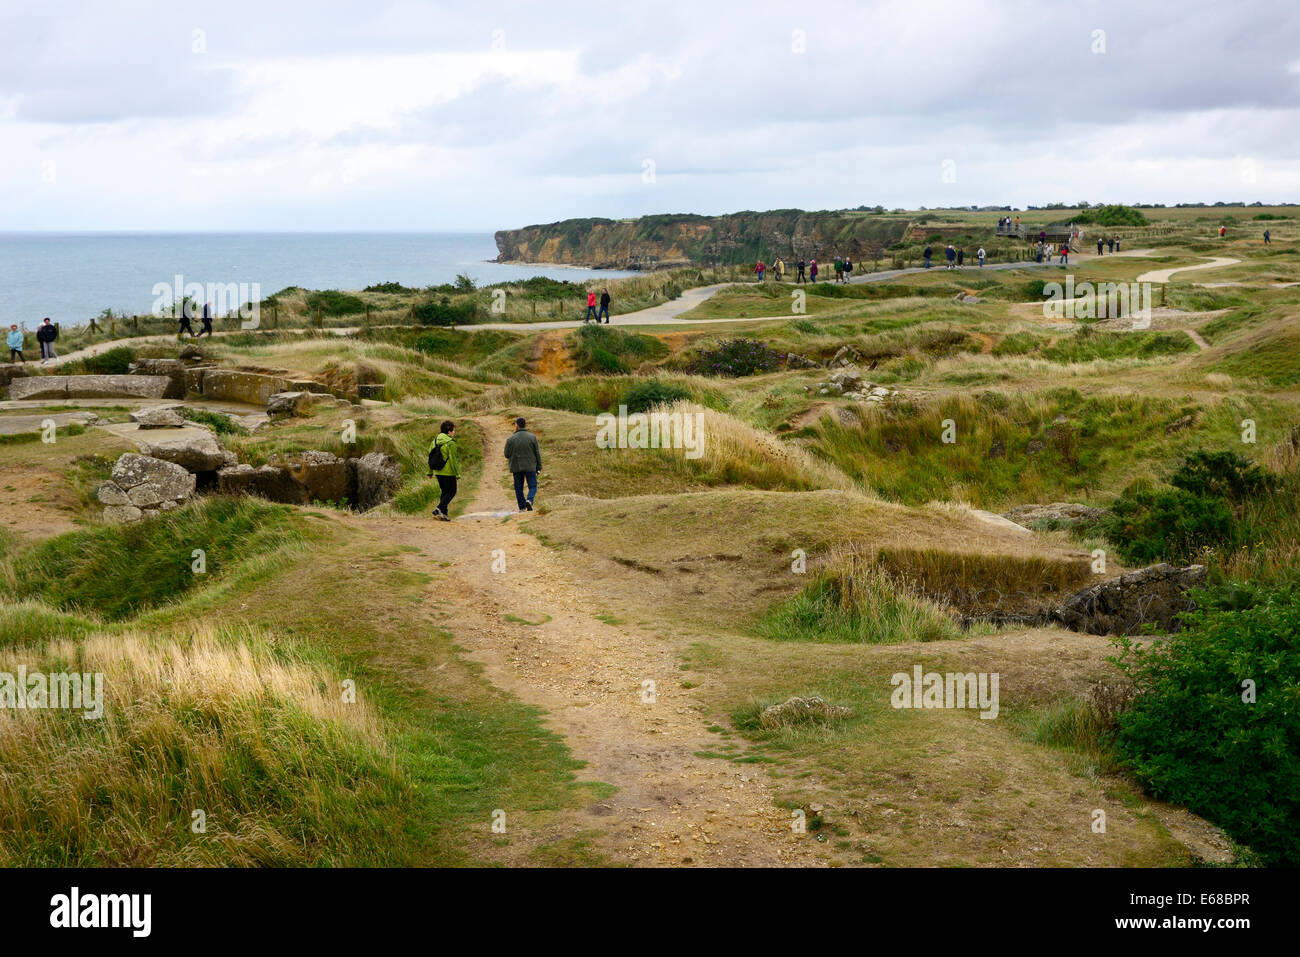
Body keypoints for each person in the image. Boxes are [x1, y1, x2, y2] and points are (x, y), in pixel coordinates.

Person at [504, 416, 542, 512]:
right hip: (530, 467)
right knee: (533, 486)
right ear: (525, 425)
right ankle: (529, 500)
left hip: (517, 467)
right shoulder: (532, 437)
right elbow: (537, 453)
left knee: (518, 488)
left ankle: (522, 507)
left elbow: (506, 454)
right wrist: (539, 467)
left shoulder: (510, 439)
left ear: (517, 426)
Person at [429, 420, 460, 521]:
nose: (454, 432)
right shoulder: (451, 443)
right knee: (452, 491)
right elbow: (453, 460)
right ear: (449, 431)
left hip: (438, 471)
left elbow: (430, 457)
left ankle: (444, 514)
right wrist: (457, 474)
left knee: (444, 492)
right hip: (448, 472)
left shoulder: (434, 441)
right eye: (453, 430)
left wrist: (430, 472)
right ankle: (439, 509)